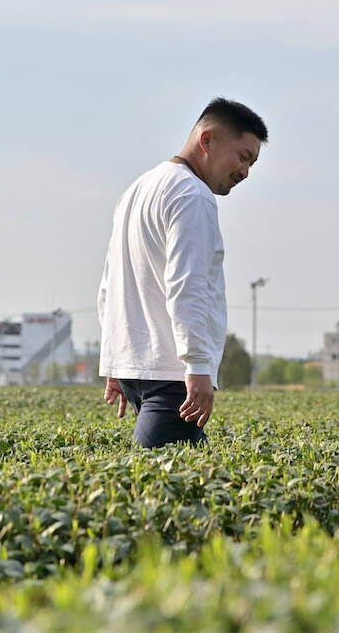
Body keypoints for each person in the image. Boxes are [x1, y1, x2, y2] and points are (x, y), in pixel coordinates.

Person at [97, 98, 267, 447]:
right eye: (243, 157)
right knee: (166, 490)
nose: (245, 172)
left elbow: (110, 283)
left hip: (140, 370)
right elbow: (186, 286)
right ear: (208, 140)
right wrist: (198, 365)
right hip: (172, 377)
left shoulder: (138, 189)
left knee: (173, 483)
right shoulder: (193, 195)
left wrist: (117, 360)